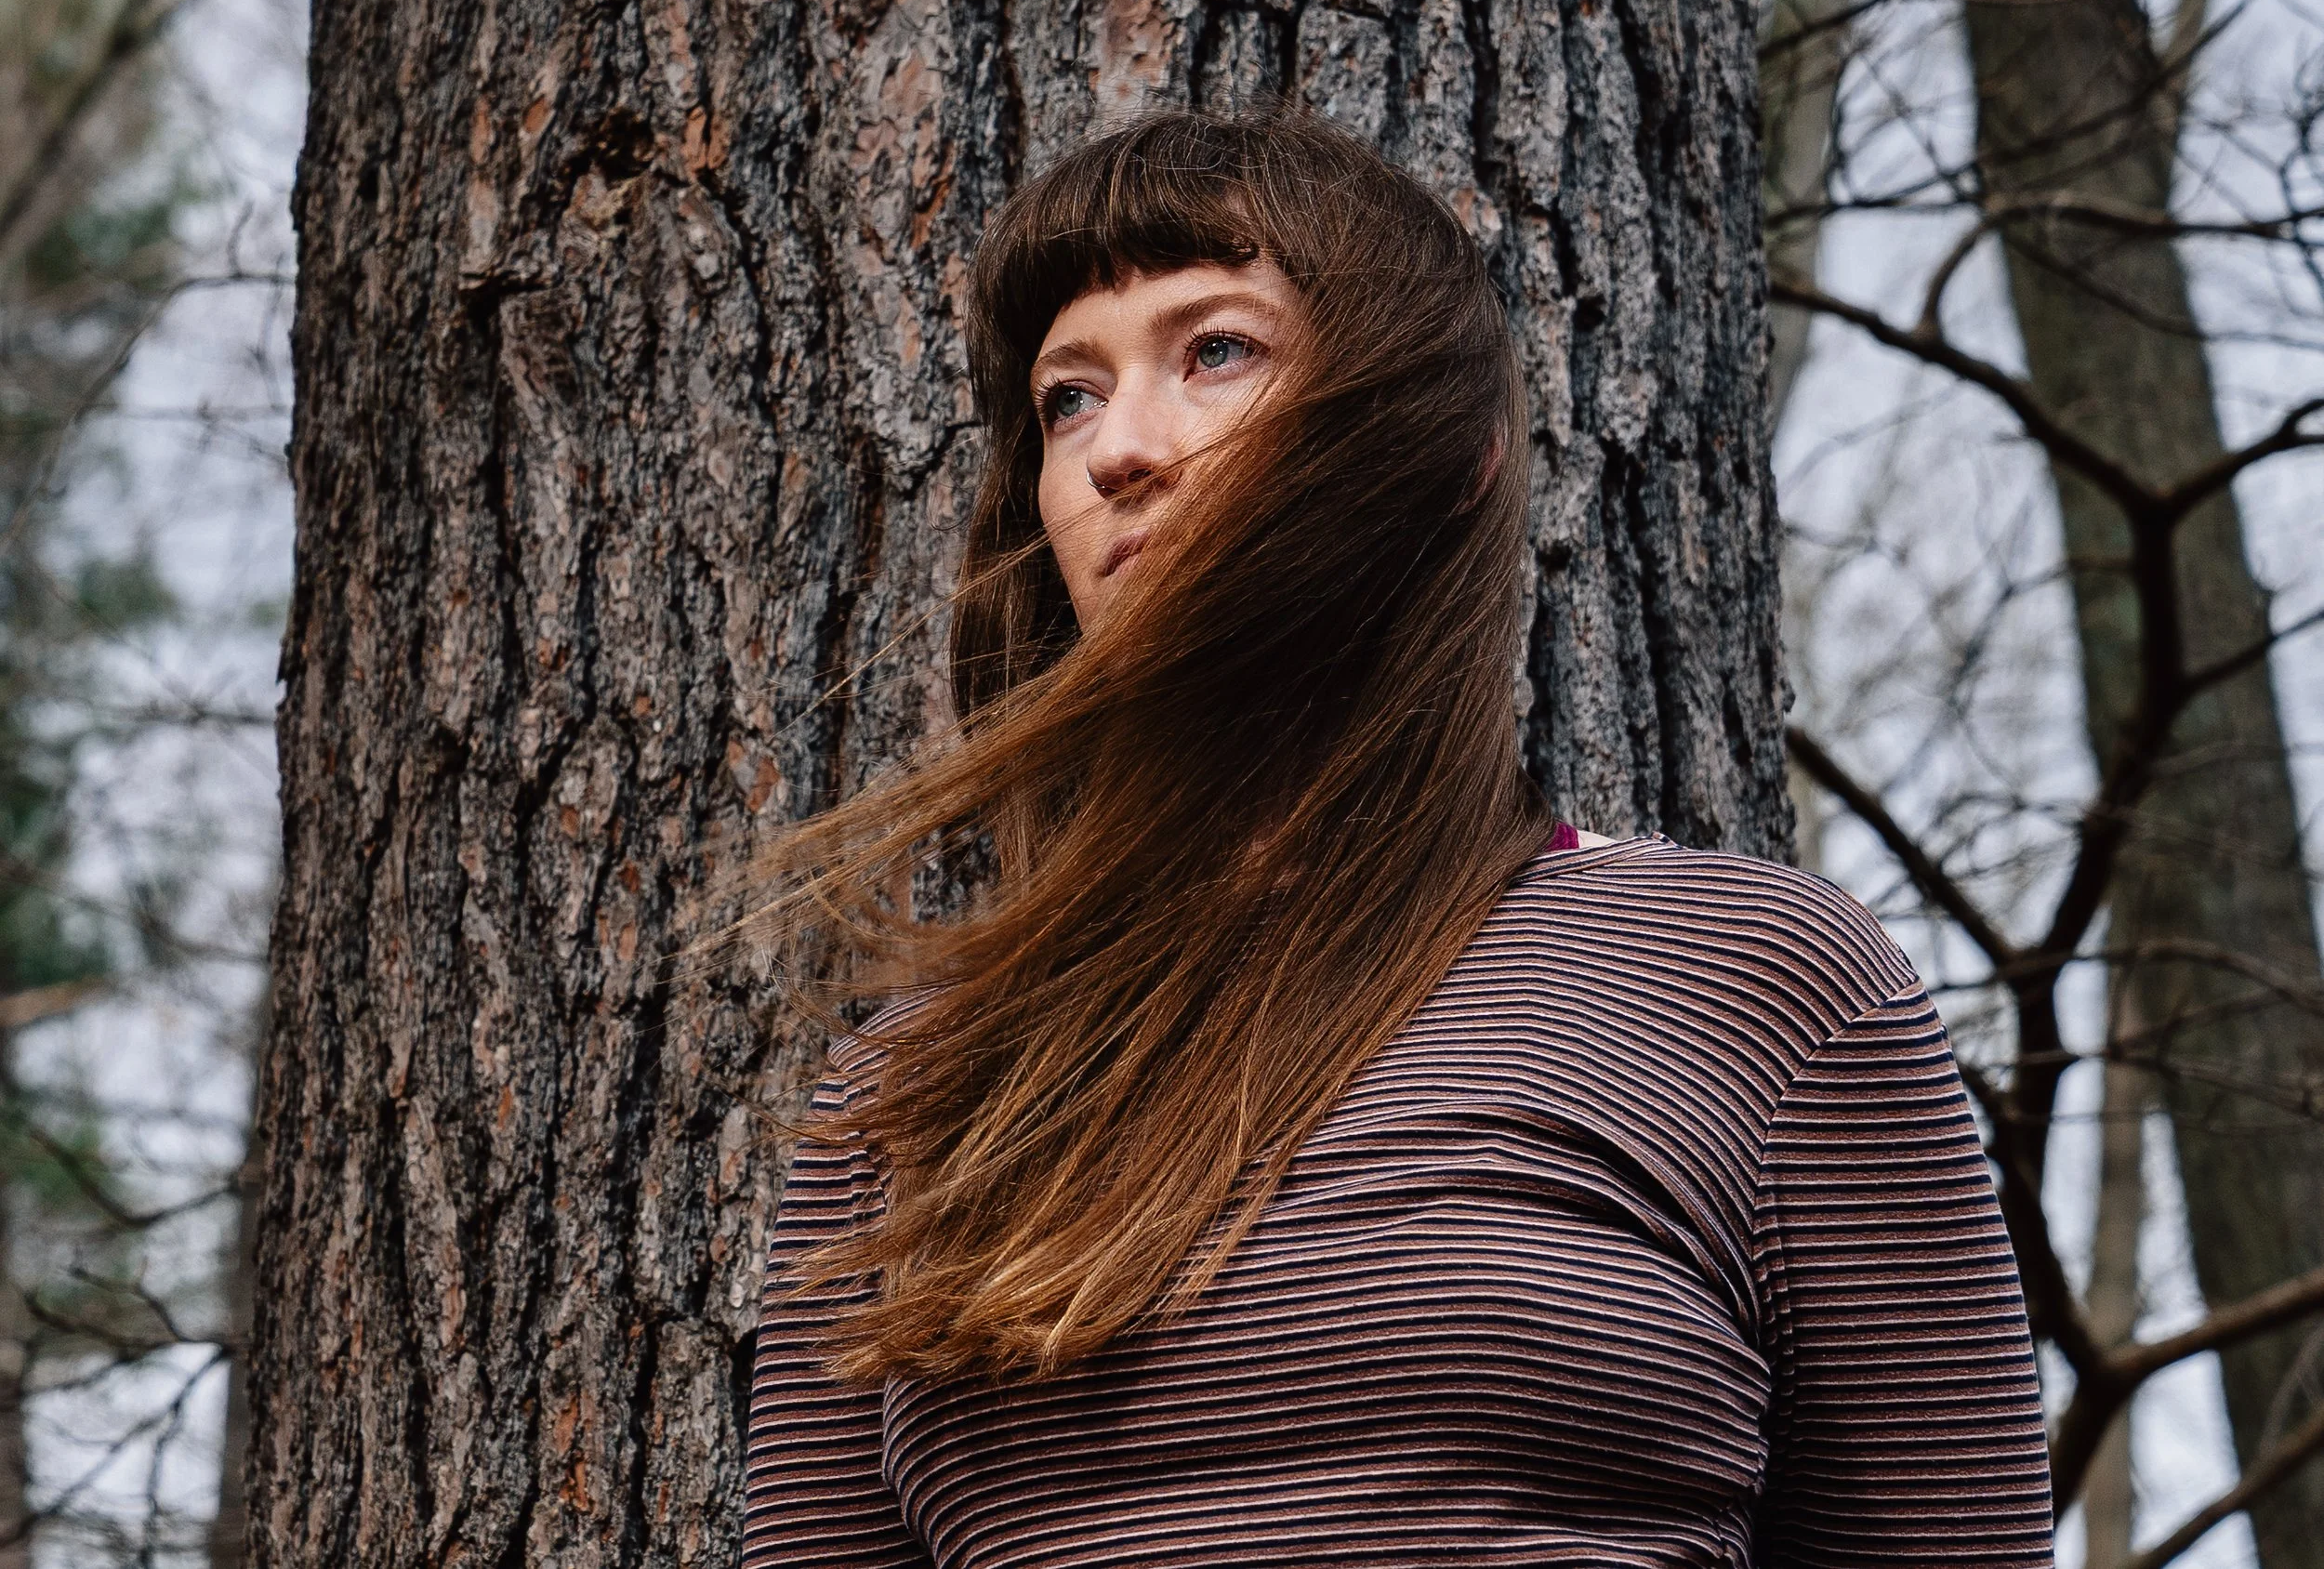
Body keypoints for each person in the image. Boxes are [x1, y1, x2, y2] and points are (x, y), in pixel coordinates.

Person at [732, 109, 2053, 1566]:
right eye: (1066, 397)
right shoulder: (912, 1092)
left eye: (1214, 350)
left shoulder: (1762, 984)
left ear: (1454, 448)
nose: (1117, 449)